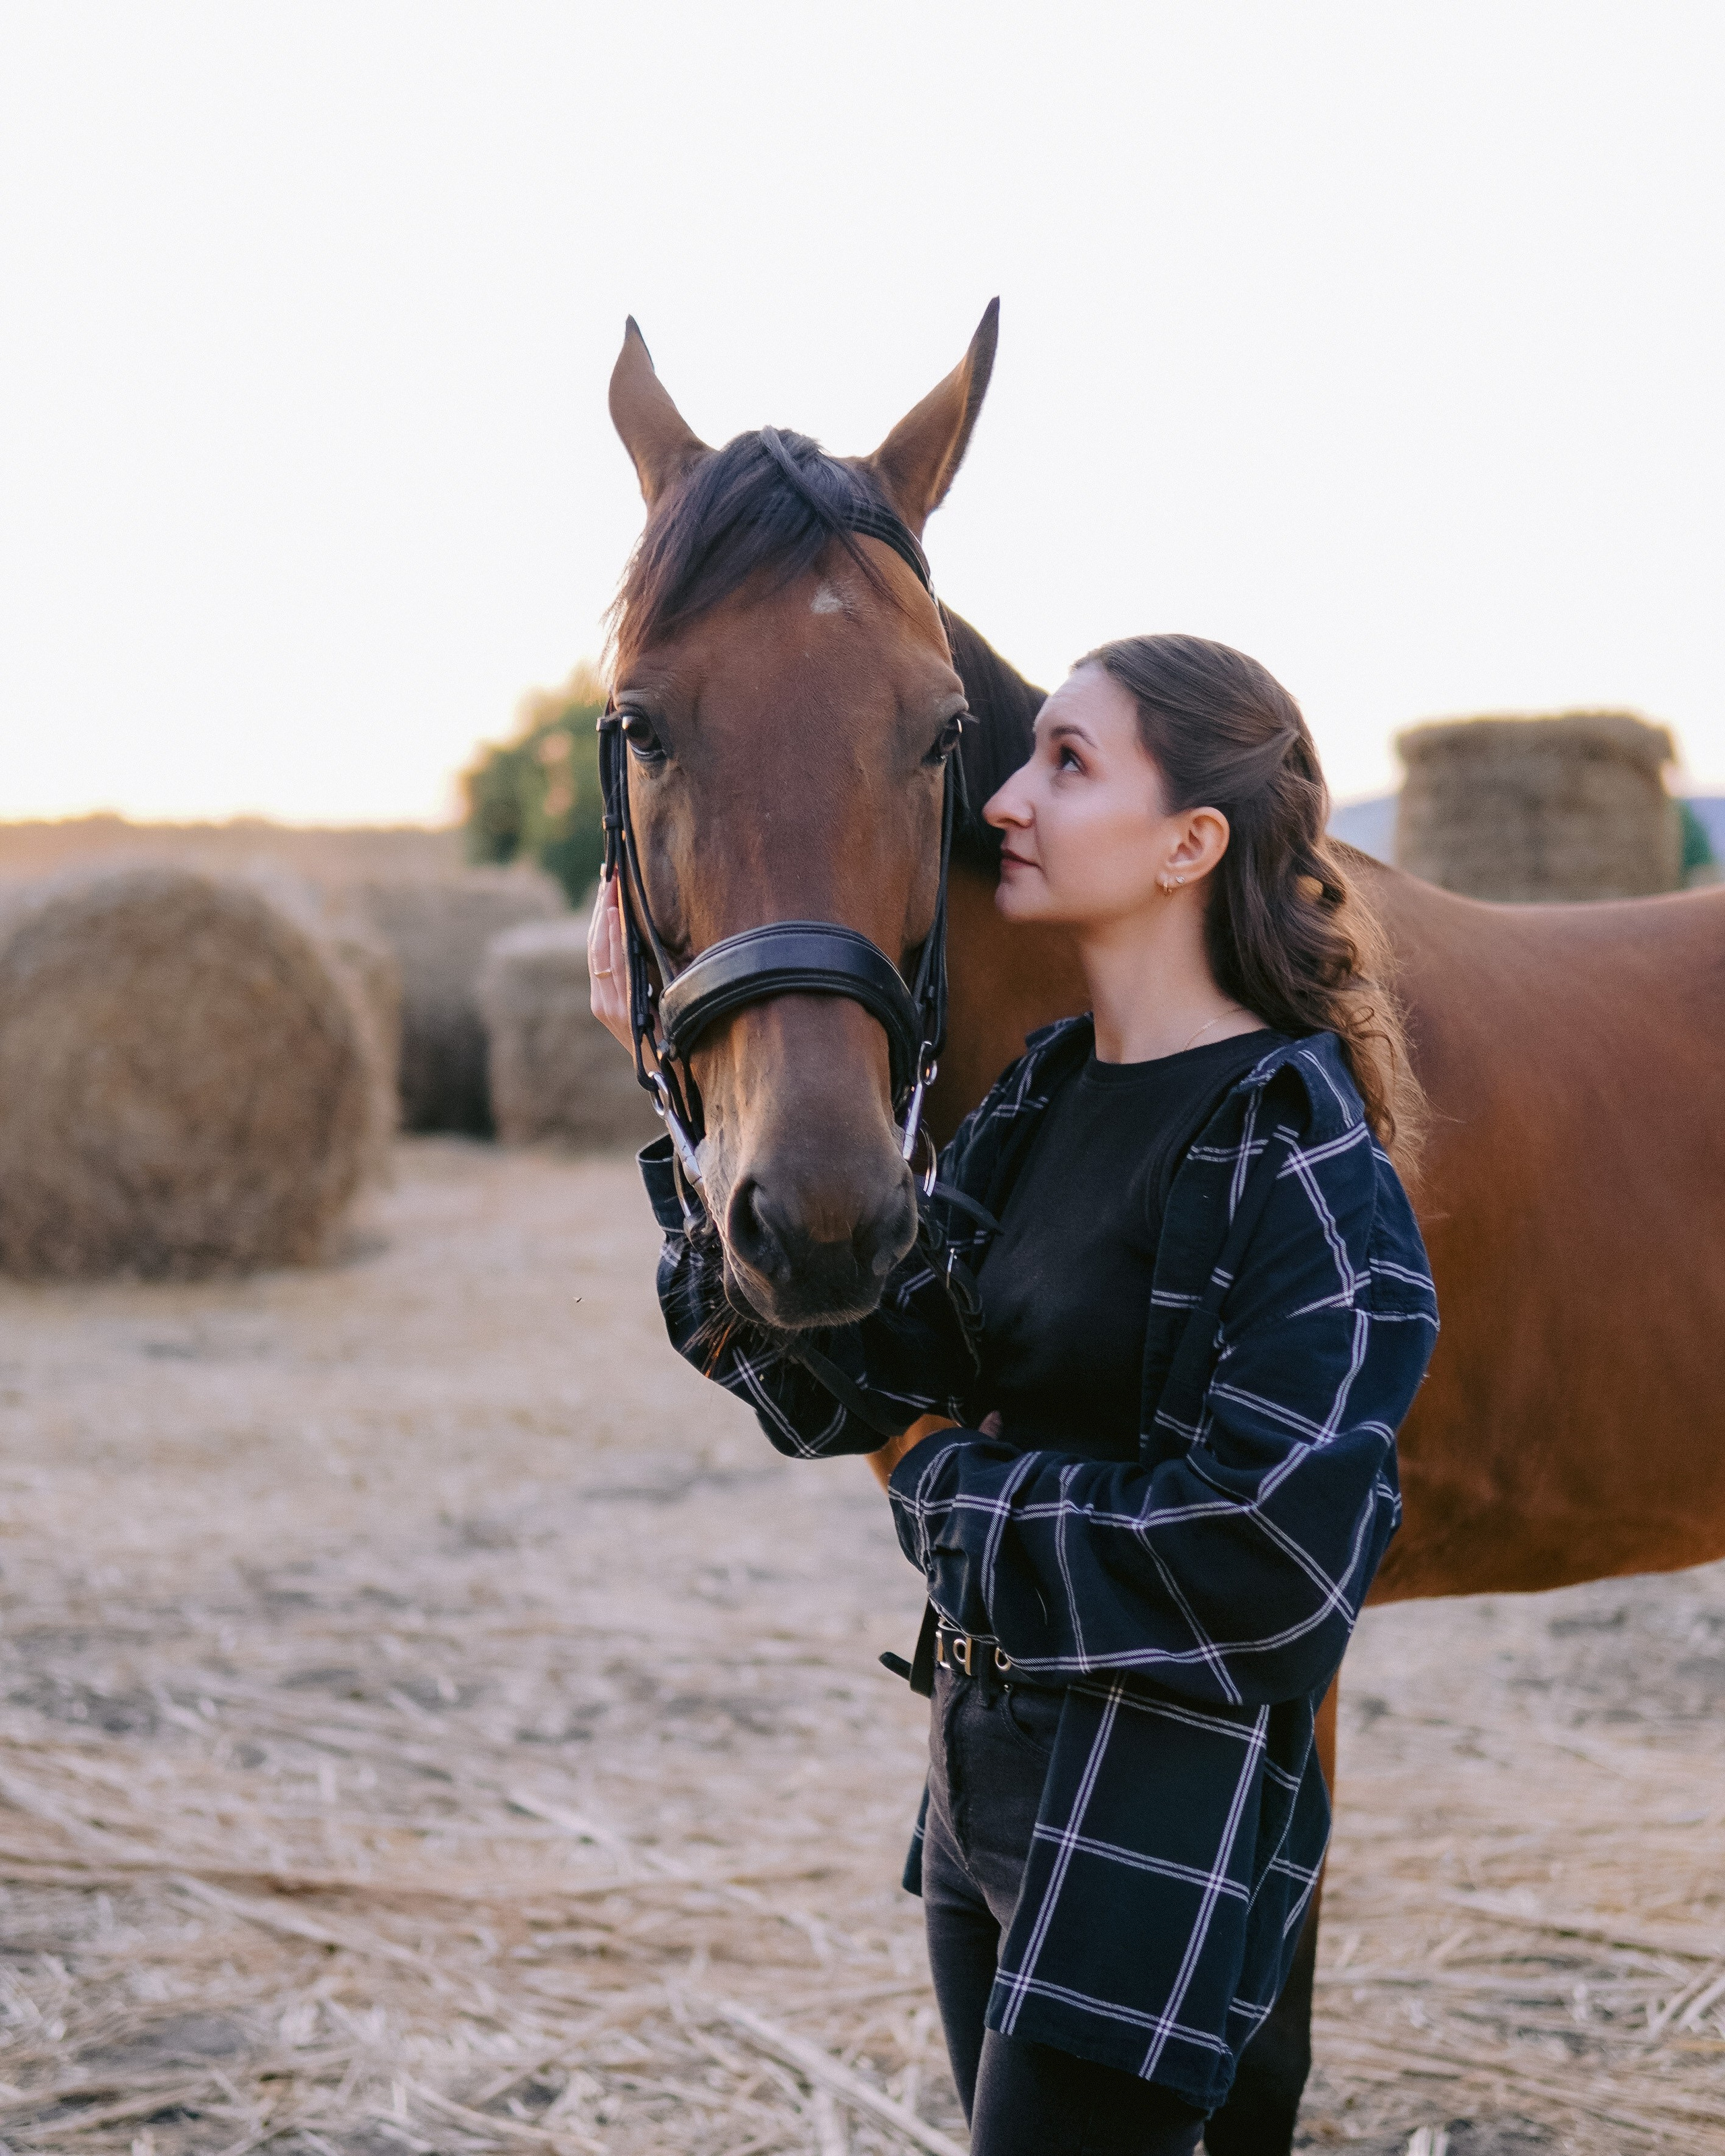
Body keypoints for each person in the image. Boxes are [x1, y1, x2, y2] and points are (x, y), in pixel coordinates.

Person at [588, 633, 1438, 2156]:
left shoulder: (1296, 1152)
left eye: (1063, 761)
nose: (999, 800)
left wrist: (954, 1495)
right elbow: (840, 1377)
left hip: (1154, 1826)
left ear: (1190, 843)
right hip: (981, 1794)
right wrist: (670, 1089)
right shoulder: (1038, 1100)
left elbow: (1272, 1565)